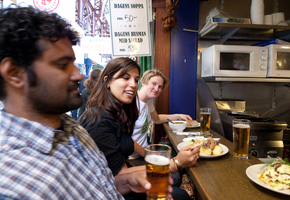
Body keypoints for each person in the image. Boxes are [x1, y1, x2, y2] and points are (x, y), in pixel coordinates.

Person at [0, 6, 173, 199]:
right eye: (63, 65)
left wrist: (128, 182)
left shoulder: (71, 128)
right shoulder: (13, 183)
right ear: (15, 74)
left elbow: (100, 185)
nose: (78, 75)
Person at [79, 58, 189, 200]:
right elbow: (118, 177)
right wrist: (176, 163)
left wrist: (177, 116)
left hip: (122, 170)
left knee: (176, 185)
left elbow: (155, 119)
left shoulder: (123, 109)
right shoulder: (98, 120)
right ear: (107, 81)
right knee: (177, 185)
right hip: (110, 187)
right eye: (125, 78)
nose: (132, 85)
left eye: (135, 80)